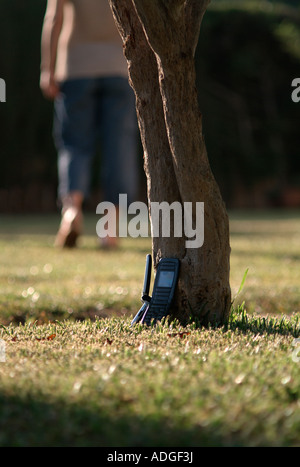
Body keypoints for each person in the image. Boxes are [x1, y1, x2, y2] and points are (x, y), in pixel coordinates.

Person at [40, 0, 138, 248]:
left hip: (76, 67)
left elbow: (54, 18)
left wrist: (47, 69)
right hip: (119, 67)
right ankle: (109, 229)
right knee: (119, 147)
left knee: (74, 144)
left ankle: (71, 212)